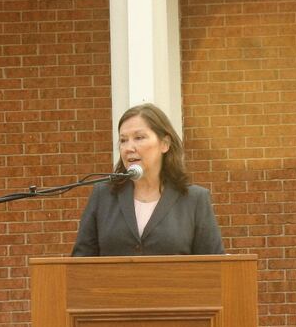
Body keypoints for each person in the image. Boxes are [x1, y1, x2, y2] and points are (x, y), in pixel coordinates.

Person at [72, 103, 224, 256]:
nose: (128, 148)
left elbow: (214, 263)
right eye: (123, 140)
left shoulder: (195, 199)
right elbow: (80, 260)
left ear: (165, 144)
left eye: (139, 138)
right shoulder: (103, 195)